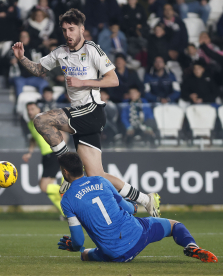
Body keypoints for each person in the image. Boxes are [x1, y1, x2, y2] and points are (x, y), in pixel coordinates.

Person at [12, 8, 161, 217]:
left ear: (82, 29)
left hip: (91, 111)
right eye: (64, 30)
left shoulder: (92, 49)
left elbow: (113, 79)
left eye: (71, 29)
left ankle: (66, 171)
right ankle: (146, 199)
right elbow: (39, 69)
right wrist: (22, 58)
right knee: (96, 175)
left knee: (41, 120)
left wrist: (84, 82)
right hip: (80, 114)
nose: (68, 34)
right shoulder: (60, 52)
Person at [57, 152, 218, 263]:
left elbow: (78, 241)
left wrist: (74, 247)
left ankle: (96, 254)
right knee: (174, 225)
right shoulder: (101, 181)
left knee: (85, 254)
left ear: (65, 172)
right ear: (82, 167)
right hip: (139, 234)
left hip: (114, 254)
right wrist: (134, 207)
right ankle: (192, 247)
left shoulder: (67, 200)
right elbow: (127, 208)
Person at [22, 102, 63, 217]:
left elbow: (60, 130)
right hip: (47, 156)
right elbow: (34, 139)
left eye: (32, 109)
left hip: (53, 153)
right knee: (48, 188)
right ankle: (65, 212)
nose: (30, 111)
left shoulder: (43, 119)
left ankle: (66, 192)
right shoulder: (31, 124)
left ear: (38, 109)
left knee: (43, 186)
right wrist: (30, 152)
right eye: (28, 109)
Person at [10, 30, 48, 95]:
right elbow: (4, 61)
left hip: (33, 77)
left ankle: (42, 103)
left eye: (26, 36)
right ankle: (19, 104)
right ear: (19, 38)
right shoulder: (14, 48)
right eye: (22, 36)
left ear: (29, 38)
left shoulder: (35, 49)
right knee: (18, 82)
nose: (24, 38)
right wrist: (11, 61)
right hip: (19, 77)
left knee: (44, 83)